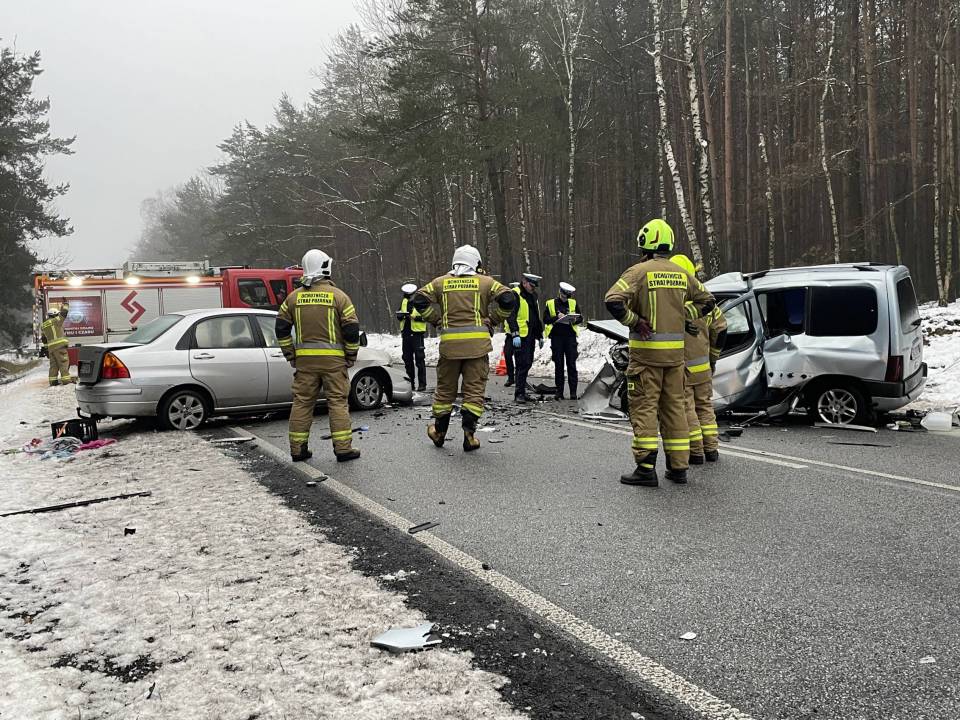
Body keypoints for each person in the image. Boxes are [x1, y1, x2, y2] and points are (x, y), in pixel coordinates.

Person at [604, 219, 715, 487]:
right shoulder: (681, 273)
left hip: (646, 359)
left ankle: (645, 469)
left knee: (644, 409)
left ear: (645, 244)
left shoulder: (639, 272)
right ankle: (678, 468)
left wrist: (634, 321)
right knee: (675, 409)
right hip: (675, 360)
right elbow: (708, 301)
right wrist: (685, 315)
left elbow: (612, 300)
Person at [411, 245, 516, 451]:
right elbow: (509, 298)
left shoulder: (440, 283)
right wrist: (494, 319)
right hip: (477, 348)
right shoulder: (485, 282)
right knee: (474, 390)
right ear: (475, 262)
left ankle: (439, 433)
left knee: (444, 391)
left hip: (450, 348)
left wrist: (436, 320)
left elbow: (419, 299)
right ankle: (469, 436)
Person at [276, 249, 362, 463]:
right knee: (337, 403)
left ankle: (298, 449)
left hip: (305, 364)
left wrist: (290, 354)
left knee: (302, 403)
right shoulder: (339, 297)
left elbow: (281, 329)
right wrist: (351, 355)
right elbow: (351, 330)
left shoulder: (293, 298)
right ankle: (343, 449)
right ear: (326, 267)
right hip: (334, 363)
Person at [670, 254, 727, 464]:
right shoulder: (705, 303)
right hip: (703, 366)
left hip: (682, 368)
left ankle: (696, 452)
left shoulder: (673, 305)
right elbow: (721, 329)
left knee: (687, 408)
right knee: (704, 406)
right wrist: (713, 358)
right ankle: (711, 449)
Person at [543, 281, 583, 399]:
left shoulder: (573, 303)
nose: (565, 298)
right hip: (557, 337)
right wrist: (556, 317)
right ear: (560, 292)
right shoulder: (551, 303)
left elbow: (580, 317)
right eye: (564, 295)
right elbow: (545, 319)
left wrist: (574, 320)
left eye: (567, 296)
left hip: (570, 337)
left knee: (571, 365)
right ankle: (559, 392)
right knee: (559, 365)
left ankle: (573, 392)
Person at [507, 273, 543, 403]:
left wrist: (540, 335)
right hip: (520, 336)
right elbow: (511, 315)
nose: (533, 288)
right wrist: (515, 334)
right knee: (521, 364)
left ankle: (522, 391)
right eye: (531, 286)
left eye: (534, 286)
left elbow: (535, 316)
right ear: (524, 283)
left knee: (528, 363)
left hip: (530, 335)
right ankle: (519, 393)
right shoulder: (515, 294)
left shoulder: (533, 295)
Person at [396, 282, 427, 391]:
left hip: (417, 334)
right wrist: (400, 316)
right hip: (406, 334)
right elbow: (399, 313)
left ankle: (422, 384)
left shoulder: (421, 302)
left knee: (420, 359)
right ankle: (411, 384)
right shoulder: (404, 302)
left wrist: (415, 318)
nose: (407, 297)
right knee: (407, 360)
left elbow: (427, 316)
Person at [40, 303, 72, 386]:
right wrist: (66, 304)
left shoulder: (43, 325)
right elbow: (64, 313)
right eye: (57, 314)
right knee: (63, 363)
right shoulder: (56, 321)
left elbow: (44, 339)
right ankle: (66, 381)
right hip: (60, 347)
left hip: (51, 349)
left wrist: (46, 349)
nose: (58, 315)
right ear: (54, 315)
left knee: (53, 365)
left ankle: (53, 381)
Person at [502, 281, 520, 387]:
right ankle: (511, 377)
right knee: (508, 354)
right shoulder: (512, 297)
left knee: (518, 357)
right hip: (510, 333)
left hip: (519, 333)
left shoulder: (518, 297)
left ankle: (518, 378)